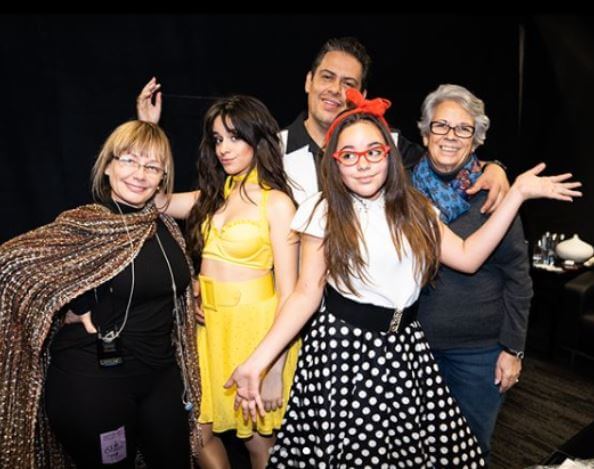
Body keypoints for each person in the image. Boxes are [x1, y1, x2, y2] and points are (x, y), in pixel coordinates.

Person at [225, 88, 581, 467]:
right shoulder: (324, 211)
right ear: (335, 162)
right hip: (348, 353)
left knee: (437, 455)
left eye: (373, 152)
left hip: (407, 349)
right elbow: (305, 293)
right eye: (349, 155)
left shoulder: (415, 207)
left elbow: (468, 256)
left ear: (389, 155)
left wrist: (518, 194)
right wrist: (258, 360)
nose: (362, 164)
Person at [0, 120, 201, 468]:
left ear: (162, 178)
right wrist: (65, 307)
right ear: (107, 166)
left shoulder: (165, 225)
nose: (140, 174)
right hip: (94, 379)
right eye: (128, 161)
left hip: (160, 375)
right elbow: (11, 262)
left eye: (152, 167)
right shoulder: (86, 223)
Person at [136, 37, 510, 208]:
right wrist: (148, 131)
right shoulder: (272, 147)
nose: (336, 90)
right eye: (327, 77)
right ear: (308, 82)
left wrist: (493, 167)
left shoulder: (389, 145)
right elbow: (217, 202)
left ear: (362, 92)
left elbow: (442, 160)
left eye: (349, 83)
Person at [152, 95, 301, 469]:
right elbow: (155, 201)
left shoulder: (277, 203)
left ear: (258, 139)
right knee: (197, 434)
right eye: (217, 139)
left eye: (234, 137)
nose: (224, 148)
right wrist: (151, 130)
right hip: (208, 331)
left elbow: (290, 293)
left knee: (257, 442)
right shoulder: (214, 196)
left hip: (256, 331)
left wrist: (273, 370)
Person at [412, 84, 533, 460]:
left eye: (463, 129)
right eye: (441, 126)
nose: (450, 136)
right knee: (414, 451)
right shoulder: (400, 187)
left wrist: (513, 348)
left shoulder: (494, 194)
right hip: (415, 349)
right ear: (424, 132)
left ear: (477, 139)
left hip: (478, 355)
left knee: (469, 450)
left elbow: (518, 276)